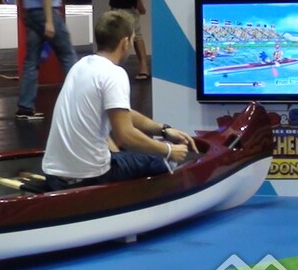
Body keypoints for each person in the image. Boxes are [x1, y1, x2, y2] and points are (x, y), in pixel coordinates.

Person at [42, 10, 196, 192]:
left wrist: (163, 130)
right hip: (90, 175)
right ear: (125, 42)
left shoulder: (80, 66)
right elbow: (125, 136)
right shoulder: (114, 74)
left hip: (53, 174)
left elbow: (122, 113)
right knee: (159, 161)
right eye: (132, 40)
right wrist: (168, 150)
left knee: (125, 155)